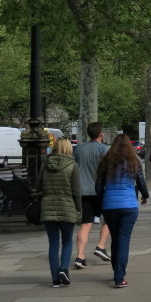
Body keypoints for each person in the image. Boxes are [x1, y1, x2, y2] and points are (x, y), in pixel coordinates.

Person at [95, 134, 149, 289]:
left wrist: (102, 202)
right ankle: (119, 276)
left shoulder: (106, 162)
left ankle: (117, 271)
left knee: (115, 239)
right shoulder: (134, 161)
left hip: (110, 206)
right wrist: (145, 196)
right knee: (123, 240)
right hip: (129, 206)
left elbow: (98, 186)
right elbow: (141, 182)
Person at [39, 138, 82, 288]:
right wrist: (79, 209)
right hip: (67, 206)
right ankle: (64, 269)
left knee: (53, 243)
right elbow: (76, 191)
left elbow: (38, 186)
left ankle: (55, 279)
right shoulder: (72, 165)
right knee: (67, 240)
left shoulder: (45, 164)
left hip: (48, 206)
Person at [73, 121, 111, 269]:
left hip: (82, 191)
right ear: (101, 134)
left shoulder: (79, 150)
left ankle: (80, 256)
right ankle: (100, 246)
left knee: (86, 223)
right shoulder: (105, 149)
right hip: (100, 190)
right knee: (108, 219)